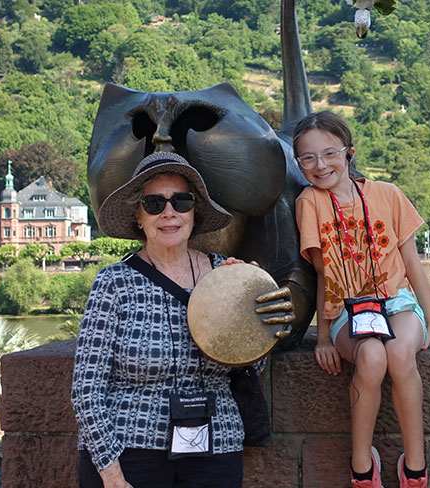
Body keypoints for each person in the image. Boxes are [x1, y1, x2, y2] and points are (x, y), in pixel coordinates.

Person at [71, 152, 291, 488]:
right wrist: (110, 472)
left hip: (215, 446)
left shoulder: (228, 276)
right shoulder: (114, 283)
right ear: (138, 216)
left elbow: (248, 370)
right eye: (154, 203)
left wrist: (260, 324)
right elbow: (87, 389)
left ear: (195, 212)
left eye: (181, 201)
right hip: (130, 448)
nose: (169, 212)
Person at [293, 111, 430, 488]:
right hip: (347, 311)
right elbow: (326, 274)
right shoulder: (310, 202)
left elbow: (414, 267)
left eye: (329, 153)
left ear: (349, 153)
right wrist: (323, 336)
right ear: (299, 164)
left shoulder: (387, 194)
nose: (320, 165)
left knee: (400, 352)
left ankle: (415, 468)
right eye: (308, 158)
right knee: (372, 356)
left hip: (398, 302)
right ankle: (362, 466)